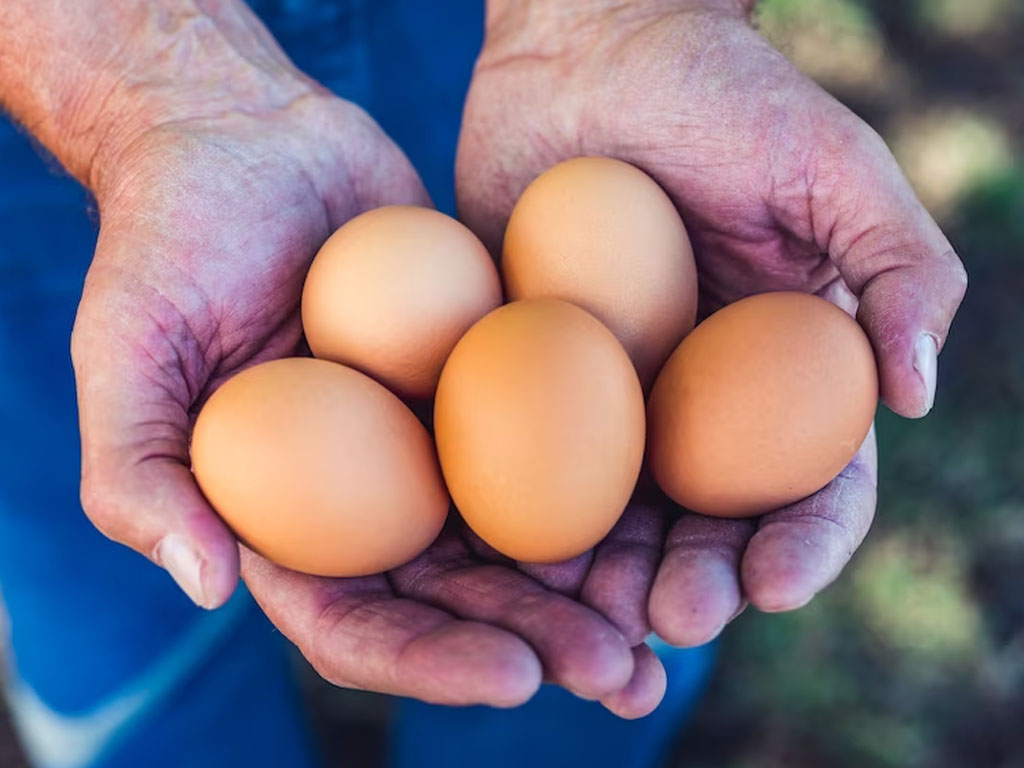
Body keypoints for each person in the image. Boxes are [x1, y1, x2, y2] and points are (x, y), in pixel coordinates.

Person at [0, 1, 967, 767]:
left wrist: (617, 17)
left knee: (579, 664)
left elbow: (559, 382)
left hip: (485, 47)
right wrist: (145, 89)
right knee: (130, 597)